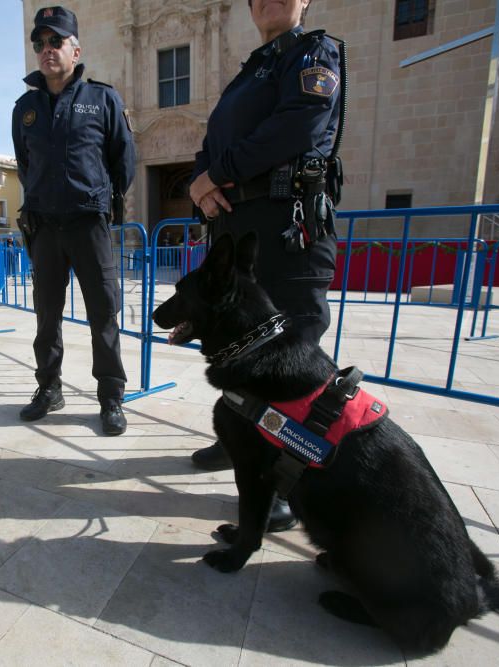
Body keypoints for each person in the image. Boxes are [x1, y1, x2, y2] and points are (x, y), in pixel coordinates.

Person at [185, 0, 345, 531]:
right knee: (239, 347)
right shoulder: (250, 71)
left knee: (287, 362)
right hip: (241, 230)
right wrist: (199, 184)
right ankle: (238, 444)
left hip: (287, 228)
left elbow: (296, 127)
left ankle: (280, 485)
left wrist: (217, 174)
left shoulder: (312, 54)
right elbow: (213, 143)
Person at [11, 6, 135, 436]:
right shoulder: (24, 108)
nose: (47, 50)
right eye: (39, 43)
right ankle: (49, 388)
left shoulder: (102, 99)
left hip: (88, 224)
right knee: (47, 314)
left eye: (55, 42)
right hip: (45, 228)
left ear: (75, 49)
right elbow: (25, 164)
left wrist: (101, 201)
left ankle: (111, 397)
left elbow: (124, 161)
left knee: (104, 313)